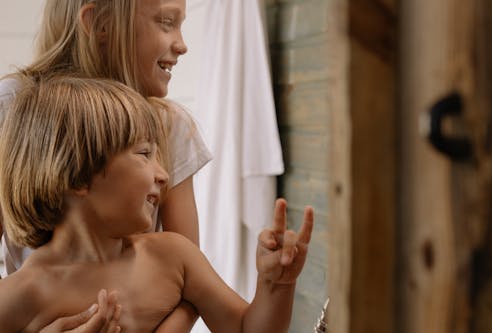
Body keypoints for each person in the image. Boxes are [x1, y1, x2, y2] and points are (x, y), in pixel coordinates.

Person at [0, 76, 314, 333]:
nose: (163, 175)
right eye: (143, 154)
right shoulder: (19, 296)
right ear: (77, 175)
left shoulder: (173, 256)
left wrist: (275, 285)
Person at [0, 0, 210, 330]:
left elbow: (193, 283)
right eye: (166, 22)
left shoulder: (171, 126)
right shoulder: (11, 107)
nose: (182, 44)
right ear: (100, 24)